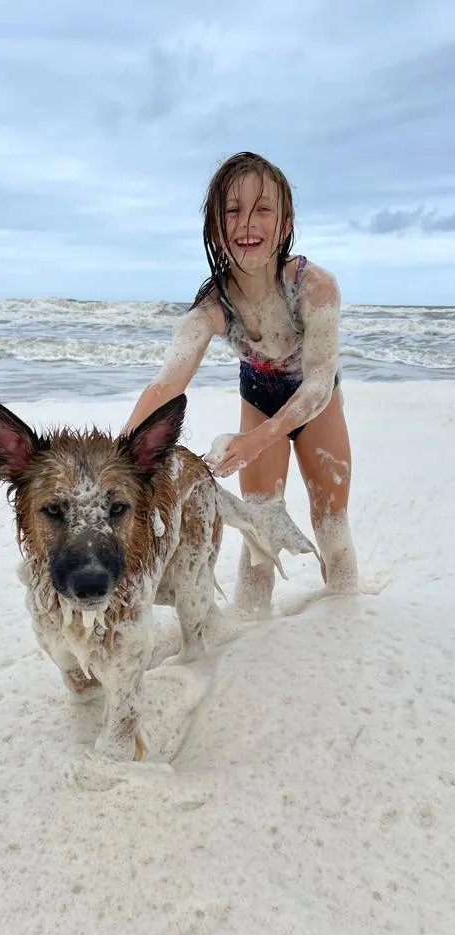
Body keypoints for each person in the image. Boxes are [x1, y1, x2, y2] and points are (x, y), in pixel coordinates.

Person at [123, 151, 358, 616]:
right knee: (260, 530)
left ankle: (346, 616)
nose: (247, 222)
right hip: (260, 399)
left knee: (330, 524)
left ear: (285, 222)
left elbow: (316, 385)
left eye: (263, 209)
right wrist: (122, 452)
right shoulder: (213, 305)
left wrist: (258, 440)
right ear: (215, 225)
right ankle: (248, 633)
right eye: (233, 210)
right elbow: (165, 385)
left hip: (317, 404)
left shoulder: (316, 287)